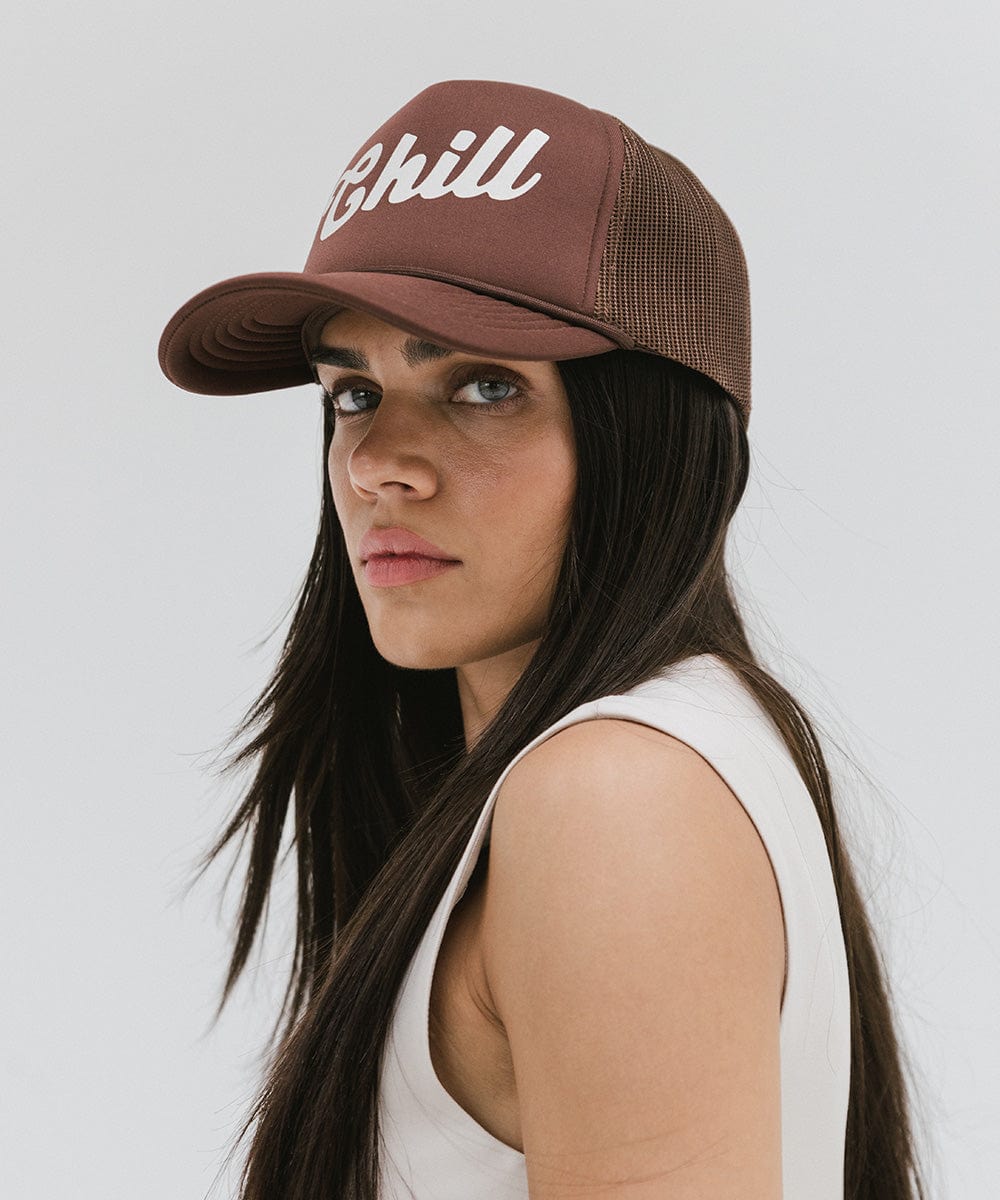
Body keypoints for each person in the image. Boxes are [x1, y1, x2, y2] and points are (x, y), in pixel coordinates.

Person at [158, 79, 928, 1200]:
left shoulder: (614, 797)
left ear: (651, 436)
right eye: (353, 393)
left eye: (480, 385)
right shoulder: (652, 757)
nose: (379, 464)